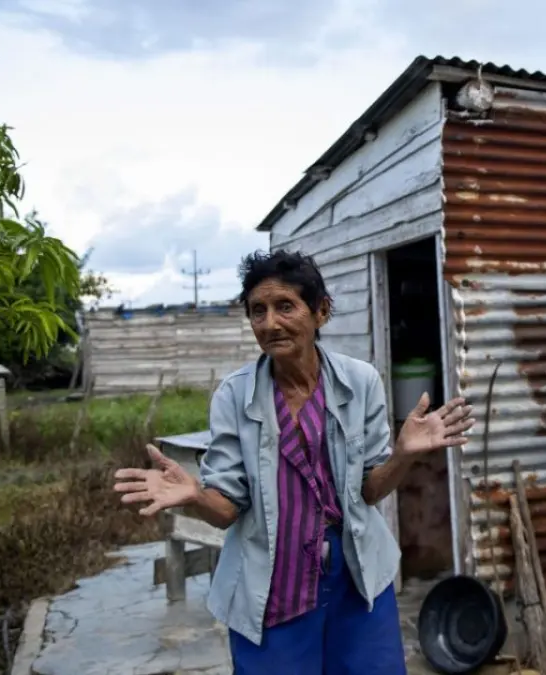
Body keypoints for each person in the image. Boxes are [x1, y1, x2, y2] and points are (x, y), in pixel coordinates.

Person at [112, 249, 475, 675]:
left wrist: (403, 454)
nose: (270, 323)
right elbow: (227, 510)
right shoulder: (234, 396)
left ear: (320, 311)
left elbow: (370, 491)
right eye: (257, 311)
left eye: (285, 306)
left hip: (355, 575)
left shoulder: (360, 382)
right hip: (272, 581)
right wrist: (194, 494)